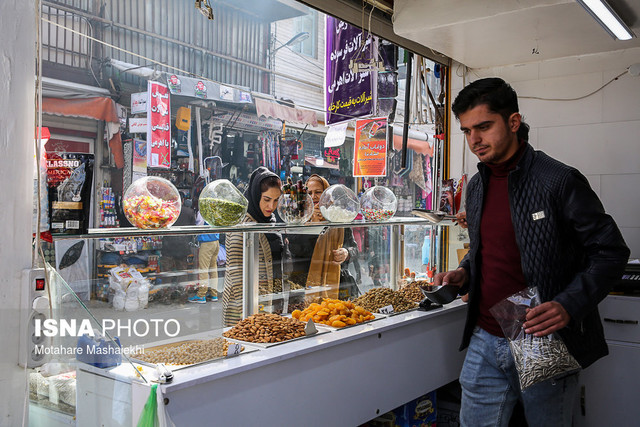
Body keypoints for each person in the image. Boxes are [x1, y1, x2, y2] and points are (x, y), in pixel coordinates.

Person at [434, 77, 630, 426]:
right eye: (466, 131)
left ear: (513, 122)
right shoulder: (477, 186)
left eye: (483, 127)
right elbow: (489, 249)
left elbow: (610, 251)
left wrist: (569, 304)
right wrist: (465, 273)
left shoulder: (558, 180)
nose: (474, 140)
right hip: (484, 332)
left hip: (536, 334)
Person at [221, 167, 285, 326]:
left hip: (267, 301)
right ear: (256, 195)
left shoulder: (270, 222)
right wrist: (251, 315)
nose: (271, 206)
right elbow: (236, 274)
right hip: (246, 308)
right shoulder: (242, 225)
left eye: (276, 200)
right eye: (267, 199)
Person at [290, 174, 360, 299]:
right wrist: (313, 226)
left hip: (338, 285)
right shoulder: (298, 218)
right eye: (309, 192)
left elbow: (354, 249)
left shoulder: (338, 217)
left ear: (327, 194)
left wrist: (346, 253)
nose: (313, 197)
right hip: (307, 285)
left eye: (318, 192)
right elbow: (295, 250)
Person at [188, 211, 220, 303]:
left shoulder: (203, 210)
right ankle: (214, 294)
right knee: (213, 269)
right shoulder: (215, 210)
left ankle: (201, 295)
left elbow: (199, 225)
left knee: (204, 269)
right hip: (216, 242)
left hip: (206, 242)